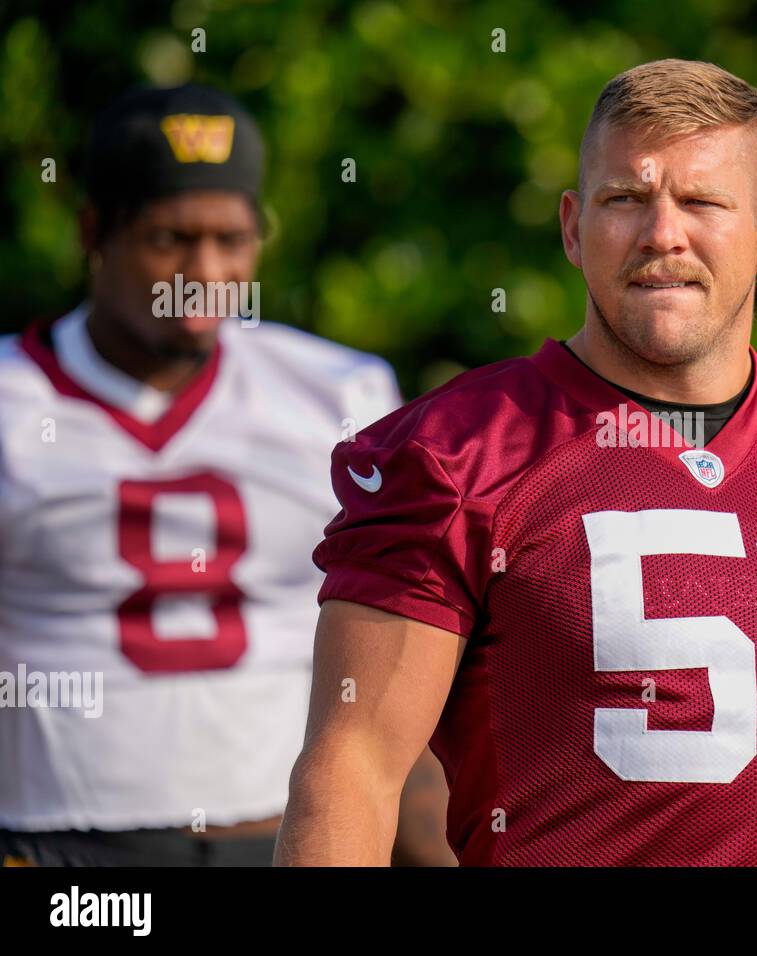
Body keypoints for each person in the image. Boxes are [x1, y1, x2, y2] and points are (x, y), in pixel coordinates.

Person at [276, 60, 757, 866]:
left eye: (702, 201)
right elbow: (352, 774)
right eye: (626, 199)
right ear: (571, 227)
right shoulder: (458, 458)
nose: (663, 233)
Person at [0, 83, 452, 866]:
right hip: (61, 844)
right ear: (93, 234)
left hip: (283, 839)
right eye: (169, 239)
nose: (204, 271)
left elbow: (408, 650)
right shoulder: (14, 403)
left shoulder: (337, 394)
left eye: (231, 241)